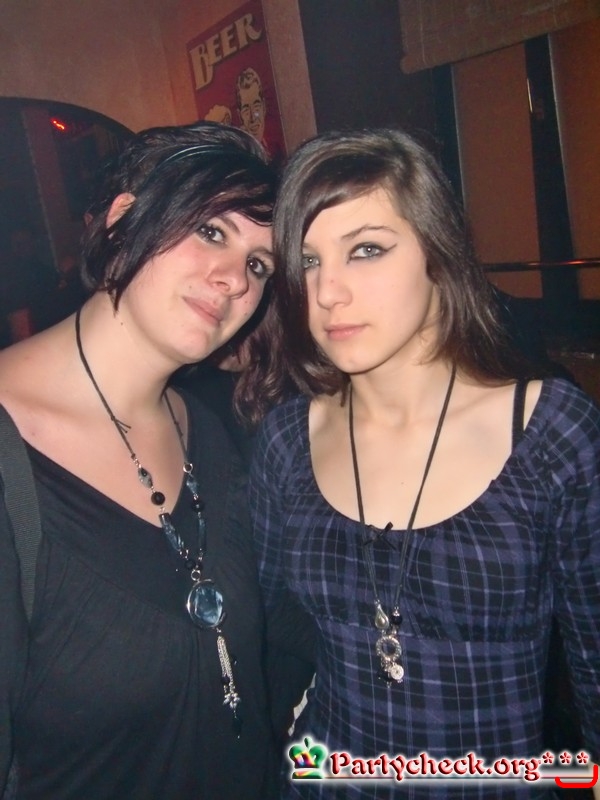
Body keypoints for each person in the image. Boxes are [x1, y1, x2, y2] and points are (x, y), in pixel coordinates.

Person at [247, 128, 600, 798]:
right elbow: (268, 638)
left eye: (366, 250)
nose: (327, 292)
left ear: (438, 253)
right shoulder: (287, 440)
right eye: (308, 261)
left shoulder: (552, 433)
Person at [0, 121, 281, 799]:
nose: (233, 279)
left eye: (258, 265)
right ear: (124, 219)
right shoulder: (13, 454)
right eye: (211, 231)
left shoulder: (214, 428)